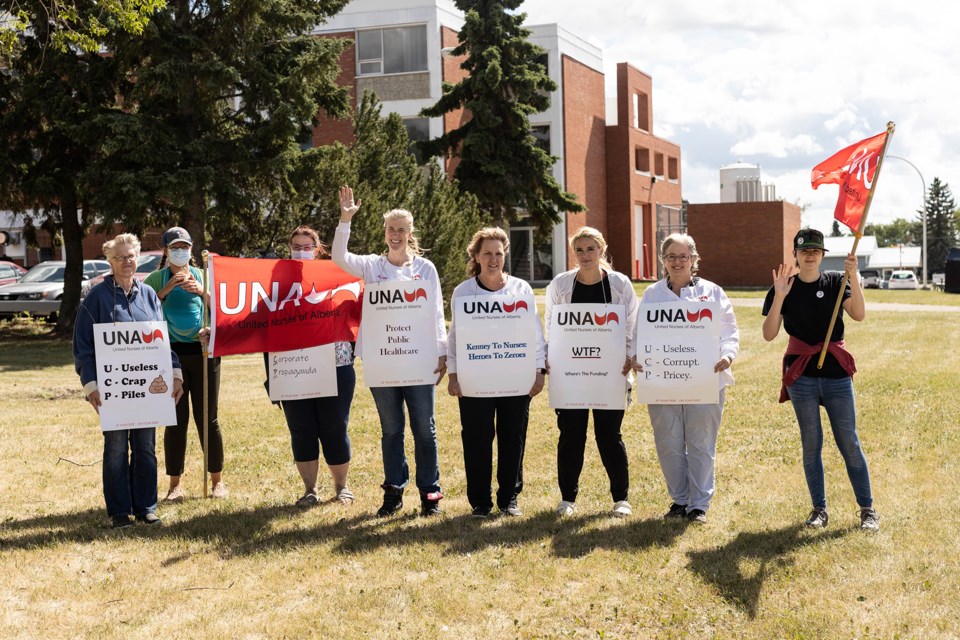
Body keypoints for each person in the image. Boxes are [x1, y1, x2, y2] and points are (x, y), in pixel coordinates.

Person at [333, 186, 447, 516]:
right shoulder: (372, 266)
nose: (395, 235)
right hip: (383, 362)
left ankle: (430, 493)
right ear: (385, 233)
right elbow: (340, 258)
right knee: (391, 430)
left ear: (410, 234)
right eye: (390, 229)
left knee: (425, 429)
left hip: (419, 360)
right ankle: (394, 491)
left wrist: (441, 351)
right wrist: (345, 220)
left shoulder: (425, 269)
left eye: (401, 230)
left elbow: (436, 311)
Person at [761, 228, 879, 531]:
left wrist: (853, 277)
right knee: (811, 444)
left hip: (836, 374)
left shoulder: (836, 283)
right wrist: (780, 297)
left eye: (815, 250)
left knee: (849, 442)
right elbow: (769, 333)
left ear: (822, 254)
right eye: (804, 251)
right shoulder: (784, 285)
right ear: (796, 255)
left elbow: (859, 315)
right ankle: (819, 510)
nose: (810, 255)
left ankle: (867, 510)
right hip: (802, 376)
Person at [73, 233, 184, 528]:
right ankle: (120, 511)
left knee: (146, 447)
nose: (127, 262)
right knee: (116, 448)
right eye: (120, 257)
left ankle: (146, 507)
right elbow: (83, 347)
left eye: (131, 256)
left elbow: (164, 342)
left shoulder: (149, 295)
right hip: (113, 392)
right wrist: (91, 385)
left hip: (148, 392)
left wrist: (174, 373)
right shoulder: (95, 298)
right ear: (110, 262)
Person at [640, 233, 739, 524]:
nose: (678, 261)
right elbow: (639, 334)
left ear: (694, 259)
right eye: (672, 256)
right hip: (663, 382)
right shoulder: (653, 295)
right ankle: (679, 500)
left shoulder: (713, 292)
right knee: (668, 441)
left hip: (704, 380)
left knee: (700, 442)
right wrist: (636, 356)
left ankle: (699, 504)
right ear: (663, 260)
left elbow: (730, 330)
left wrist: (728, 355)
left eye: (684, 256)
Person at [447, 228, 546, 517]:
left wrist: (539, 371)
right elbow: (455, 338)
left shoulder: (521, 290)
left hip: (516, 378)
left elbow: (535, 335)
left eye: (499, 254)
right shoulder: (463, 291)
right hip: (474, 380)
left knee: (512, 436)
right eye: (487, 253)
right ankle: (480, 501)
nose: (493, 259)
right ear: (476, 256)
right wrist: (453, 375)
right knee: (476, 438)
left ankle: (509, 498)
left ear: (505, 257)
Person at [544, 227, 638, 518]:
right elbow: (551, 325)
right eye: (579, 250)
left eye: (590, 249)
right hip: (571, 374)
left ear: (602, 249)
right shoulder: (560, 285)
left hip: (609, 373)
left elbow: (633, 326)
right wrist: (553, 358)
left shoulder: (620, 284)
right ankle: (567, 499)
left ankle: (621, 499)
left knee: (609, 435)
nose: (585, 255)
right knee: (570, 435)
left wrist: (629, 358)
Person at [272, 225, 357, 507]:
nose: (301, 251)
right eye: (296, 246)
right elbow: (259, 323)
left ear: (318, 250)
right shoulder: (276, 284)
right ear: (289, 248)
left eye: (307, 247)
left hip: (336, 364)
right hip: (292, 367)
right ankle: (310, 490)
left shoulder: (336, 276)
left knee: (335, 427)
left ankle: (341, 487)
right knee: (302, 429)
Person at [143, 227, 226, 502]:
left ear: (191, 250)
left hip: (204, 351)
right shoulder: (156, 278)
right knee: (175, 420)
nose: (181, 251)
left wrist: (202, 291)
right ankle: (174, 485)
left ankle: (217, 482)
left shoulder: (204, 275)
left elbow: (223, 309)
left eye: (185, 246)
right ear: (166, 251)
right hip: (171, 356)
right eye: (175, 247)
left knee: (208, 419)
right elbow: (144, 311)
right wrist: (167, 288)